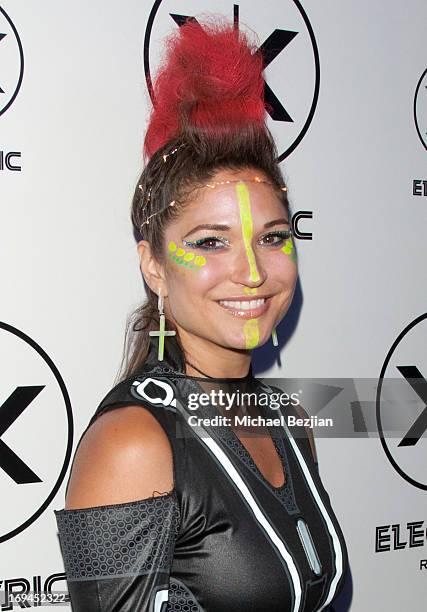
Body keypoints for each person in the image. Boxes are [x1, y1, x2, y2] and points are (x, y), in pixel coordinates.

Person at [54, 18, 349, 612]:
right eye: (212, 242)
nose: (253, 272)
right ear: (155, 265)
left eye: (272, 237)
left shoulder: (287, 419)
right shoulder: (131, 445)